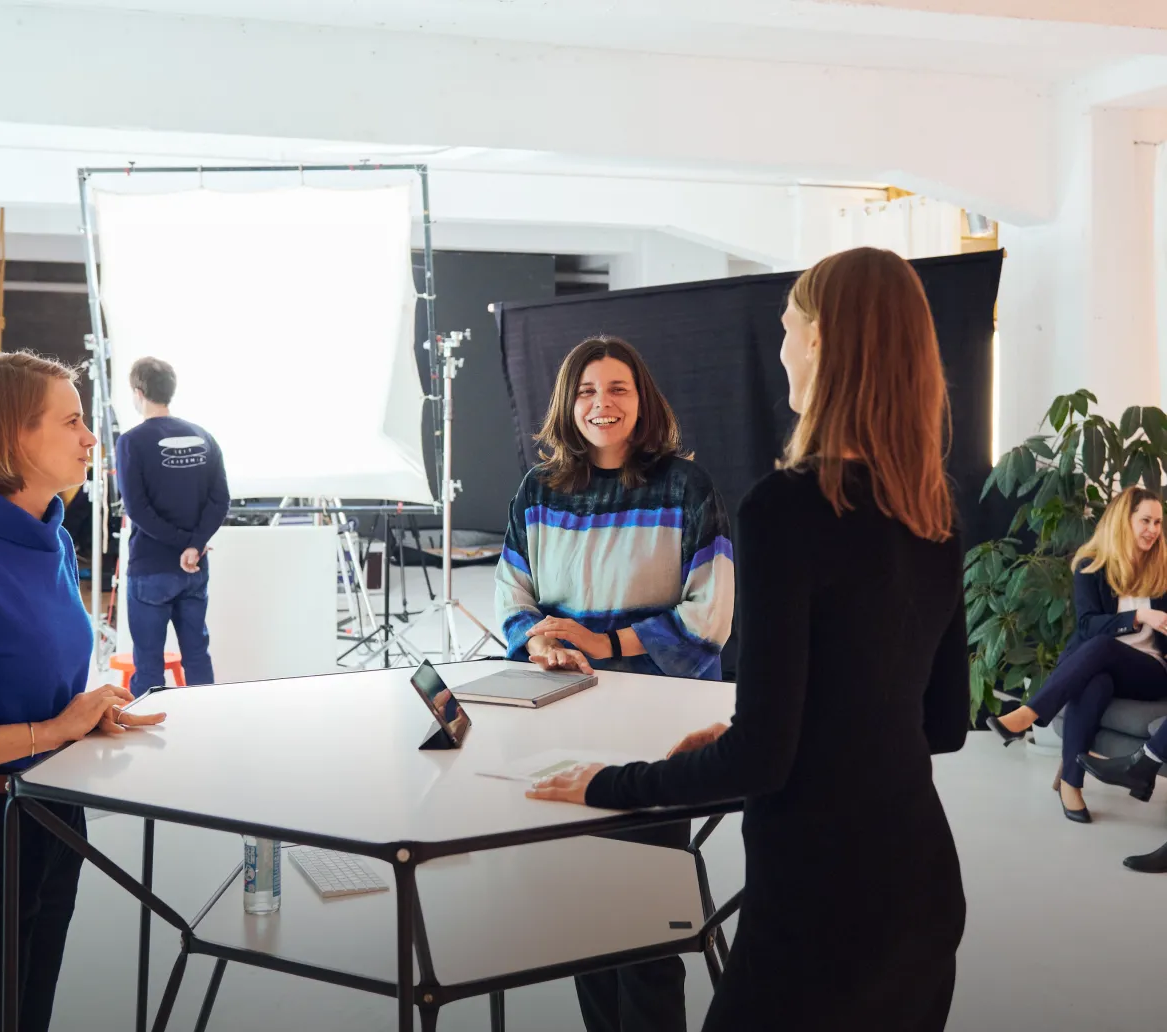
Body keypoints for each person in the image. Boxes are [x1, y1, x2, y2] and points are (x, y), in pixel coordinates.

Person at [527, 248, 969, 1032]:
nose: (782, 349)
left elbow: (764, 760)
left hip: (818, 897)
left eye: (789, 328)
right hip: (920, 886)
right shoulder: (932, 514)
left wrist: (609, 784)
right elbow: (939, 725)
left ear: (823, 342)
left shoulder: (786, 510)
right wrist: (758, 728)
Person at [493, 335, 734, 1032]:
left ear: (642, 400)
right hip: (564, 718)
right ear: (568, 403)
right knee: (586, 923)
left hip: (658, 726)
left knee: (649, 922)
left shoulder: (685, 486)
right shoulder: (537, 492)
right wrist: (538, 639)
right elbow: (513, 594)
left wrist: (606, 641)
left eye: (618, 389)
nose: (602, 404)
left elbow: (711, 614)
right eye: (588, 391)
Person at [0, 351, 166, 1031]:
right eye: (72, 421)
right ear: (11, 438)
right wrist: (55, 729)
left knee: (31, 1006)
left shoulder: (52, 538)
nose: (91, 437)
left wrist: (83, 713)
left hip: (50, 815)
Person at [986, 486, 1167, 823]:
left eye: (1158, 522)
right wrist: (1138, 617)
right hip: (1102, 663)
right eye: (1145, 520)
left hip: (1150, 672)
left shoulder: (1163, 569)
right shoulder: (1092, 564)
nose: (1153, 530)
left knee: (1100, 649)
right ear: (1122, 521)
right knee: (1094, 681)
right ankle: (1072, 783)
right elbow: (1087, 625)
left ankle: (1029, 713)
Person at [115, 357, 230, 696]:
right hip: (194, 568)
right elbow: (220, 500)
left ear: (138, 392)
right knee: (196, 655)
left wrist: (183, 543)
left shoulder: (131, 442)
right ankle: (207, 733)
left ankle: (153, 744)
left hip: (151, 568)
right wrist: (193, 545)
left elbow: (137, 509)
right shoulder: (203, 436)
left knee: (149, 664)